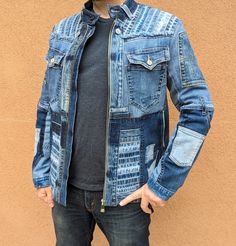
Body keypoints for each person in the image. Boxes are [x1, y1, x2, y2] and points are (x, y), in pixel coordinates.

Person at [32, 0, 214, 245]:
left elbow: (198, 109)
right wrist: (42, 172)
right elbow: (47, 107)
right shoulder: (63, 31)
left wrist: (163, 183)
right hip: (65, 193)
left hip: (127, 196)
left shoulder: (164, 28)